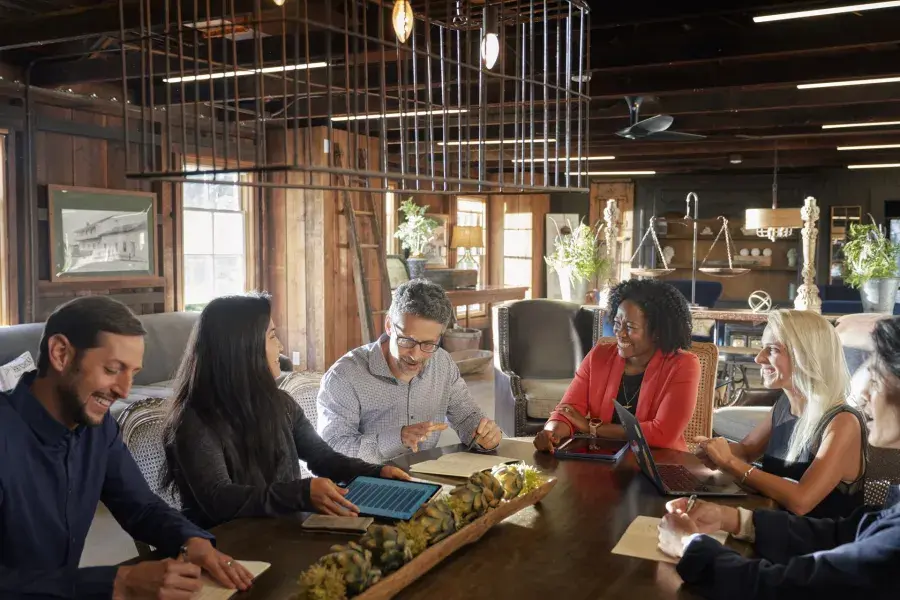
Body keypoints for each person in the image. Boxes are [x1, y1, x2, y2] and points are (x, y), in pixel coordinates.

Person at [0, 296, 254, 599]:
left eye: (132, 373)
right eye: (112, 369)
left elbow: (141, 508)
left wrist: (192, 541)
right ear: (60, 353)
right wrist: (118, 582)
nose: (123, 390)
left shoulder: (98, 427)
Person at [657, 316, 900, 599]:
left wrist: (689, 545)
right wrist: (733, 518)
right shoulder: (785, 403)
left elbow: (778, 585)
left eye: (875, 378)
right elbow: (841, 533)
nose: (865, 394)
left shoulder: (843, 420)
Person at [162, 293, 410, 529]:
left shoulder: (281, 403)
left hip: (279, 531)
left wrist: (377, 472)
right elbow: (219, 499)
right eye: (272, 336)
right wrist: (301, 493)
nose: (280, 346)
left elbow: (322, 458)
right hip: (224, 548)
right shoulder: (194, 421)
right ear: (243, 348)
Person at [695, 309, 866, 518]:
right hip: (776, 527)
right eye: (762, 348)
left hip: (820, 544)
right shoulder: (785, 404)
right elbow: (747, 450)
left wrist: (730, 462)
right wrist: (714, 452)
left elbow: (801, 501)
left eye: (773, 349)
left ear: (807, 355)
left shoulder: (842, 422)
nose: (759, 358)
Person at [316, 279, 502, 464]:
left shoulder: (442, 363)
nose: (415, 354)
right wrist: (398, 439)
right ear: (389, 325)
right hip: (364, 484)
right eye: (407, 341)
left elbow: (467, 417)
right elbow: (332, 451)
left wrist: (485, 436)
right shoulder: (344, 376)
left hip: (426, 479)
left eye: (428, 344)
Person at [534, 278, 701, 452]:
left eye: (630, 327)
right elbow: (569, 410)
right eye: (617, 323)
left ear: (656, 332)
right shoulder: (599, 355)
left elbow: (662, 434)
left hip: (661, 464)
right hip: (603, 462)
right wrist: (551, 433)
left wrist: (593, 428)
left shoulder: (683, 365)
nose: (620, 333)